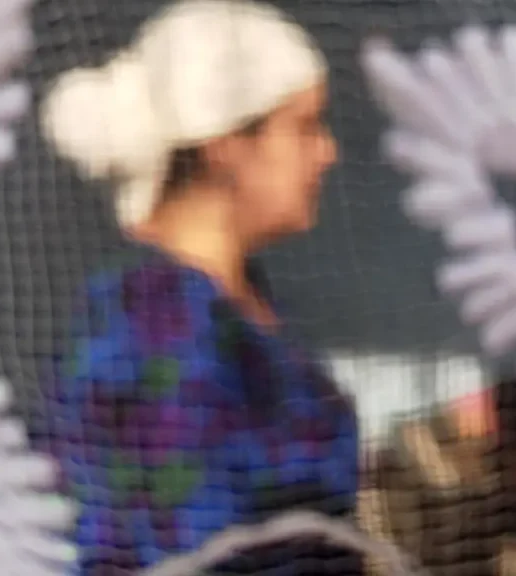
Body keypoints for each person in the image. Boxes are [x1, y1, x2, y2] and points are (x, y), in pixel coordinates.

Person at [33, 1, 360, 574]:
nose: (328, 151)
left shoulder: (233, 308)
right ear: (228, 144)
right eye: (304, 126)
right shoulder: (153, 324)